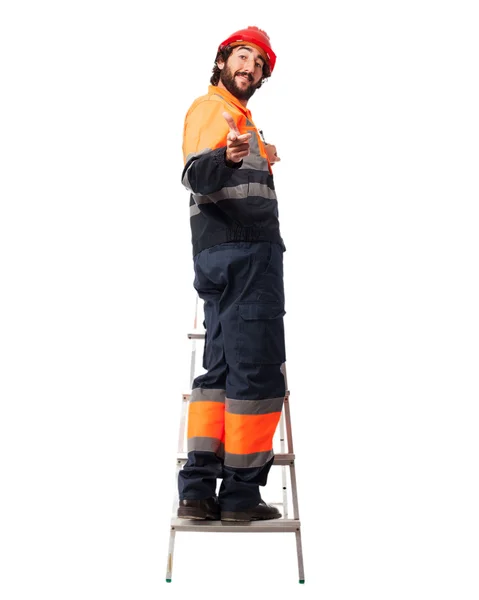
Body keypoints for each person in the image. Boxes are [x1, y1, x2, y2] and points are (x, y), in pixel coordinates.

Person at [177, 26, 287, 522]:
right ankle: (242, 494)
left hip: (221, 256)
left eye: (259, 63)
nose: (251, 66)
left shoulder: (240, 121)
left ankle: (198, 490)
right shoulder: (212, 109)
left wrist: (259, 153)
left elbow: (223, 169)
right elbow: (197, 174)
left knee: (219, 370)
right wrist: (230, 156)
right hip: (246, 259)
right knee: (257, 371)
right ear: (222, 61)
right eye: (243, 56)